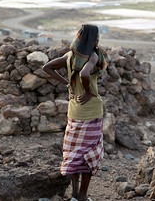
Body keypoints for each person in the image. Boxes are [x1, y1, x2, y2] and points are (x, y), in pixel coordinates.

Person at [42, 24, 107, 201]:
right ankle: (83, 197)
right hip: (91, 111)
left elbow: (46, 68)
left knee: (74, 154)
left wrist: (66, 83)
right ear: (92, 39)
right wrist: (88, 91)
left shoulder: (69, 56)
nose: (98, 39)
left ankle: (75, 195)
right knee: (89, 154)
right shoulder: (93, 56)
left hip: (74, 113)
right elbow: (85, 74)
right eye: (97, 37)